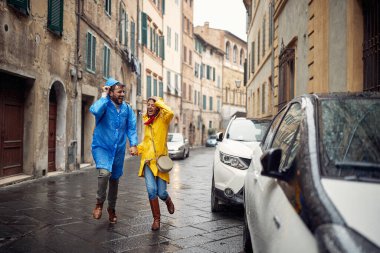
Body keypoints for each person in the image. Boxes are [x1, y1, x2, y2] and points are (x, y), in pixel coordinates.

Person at [90, 77, 138, 224]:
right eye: (119, 92)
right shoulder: (103, 105)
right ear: (111, 92)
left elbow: (131, 127)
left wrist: (133, 144)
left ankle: (111, 209)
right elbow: (94, 110)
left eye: (123, 91)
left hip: (118, 149)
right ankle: (99, 203)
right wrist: (103, 96)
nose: (122, 94)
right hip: (102, 146)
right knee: (104, 173)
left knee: (115, 179)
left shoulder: (127, 109)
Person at [132, 96, 175, 230]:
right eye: (148, 104)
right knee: (152, 190)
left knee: (161, 193)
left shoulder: (164, 119)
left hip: (160, 163)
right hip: (148, 162)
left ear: (158, 107)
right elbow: (146, 142)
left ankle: (167, 200)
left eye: (153, 105)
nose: (150, 107)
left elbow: (170, 112)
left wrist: (159, 102)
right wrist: (137, 149)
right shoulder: (146, 121)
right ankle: (156, 219)